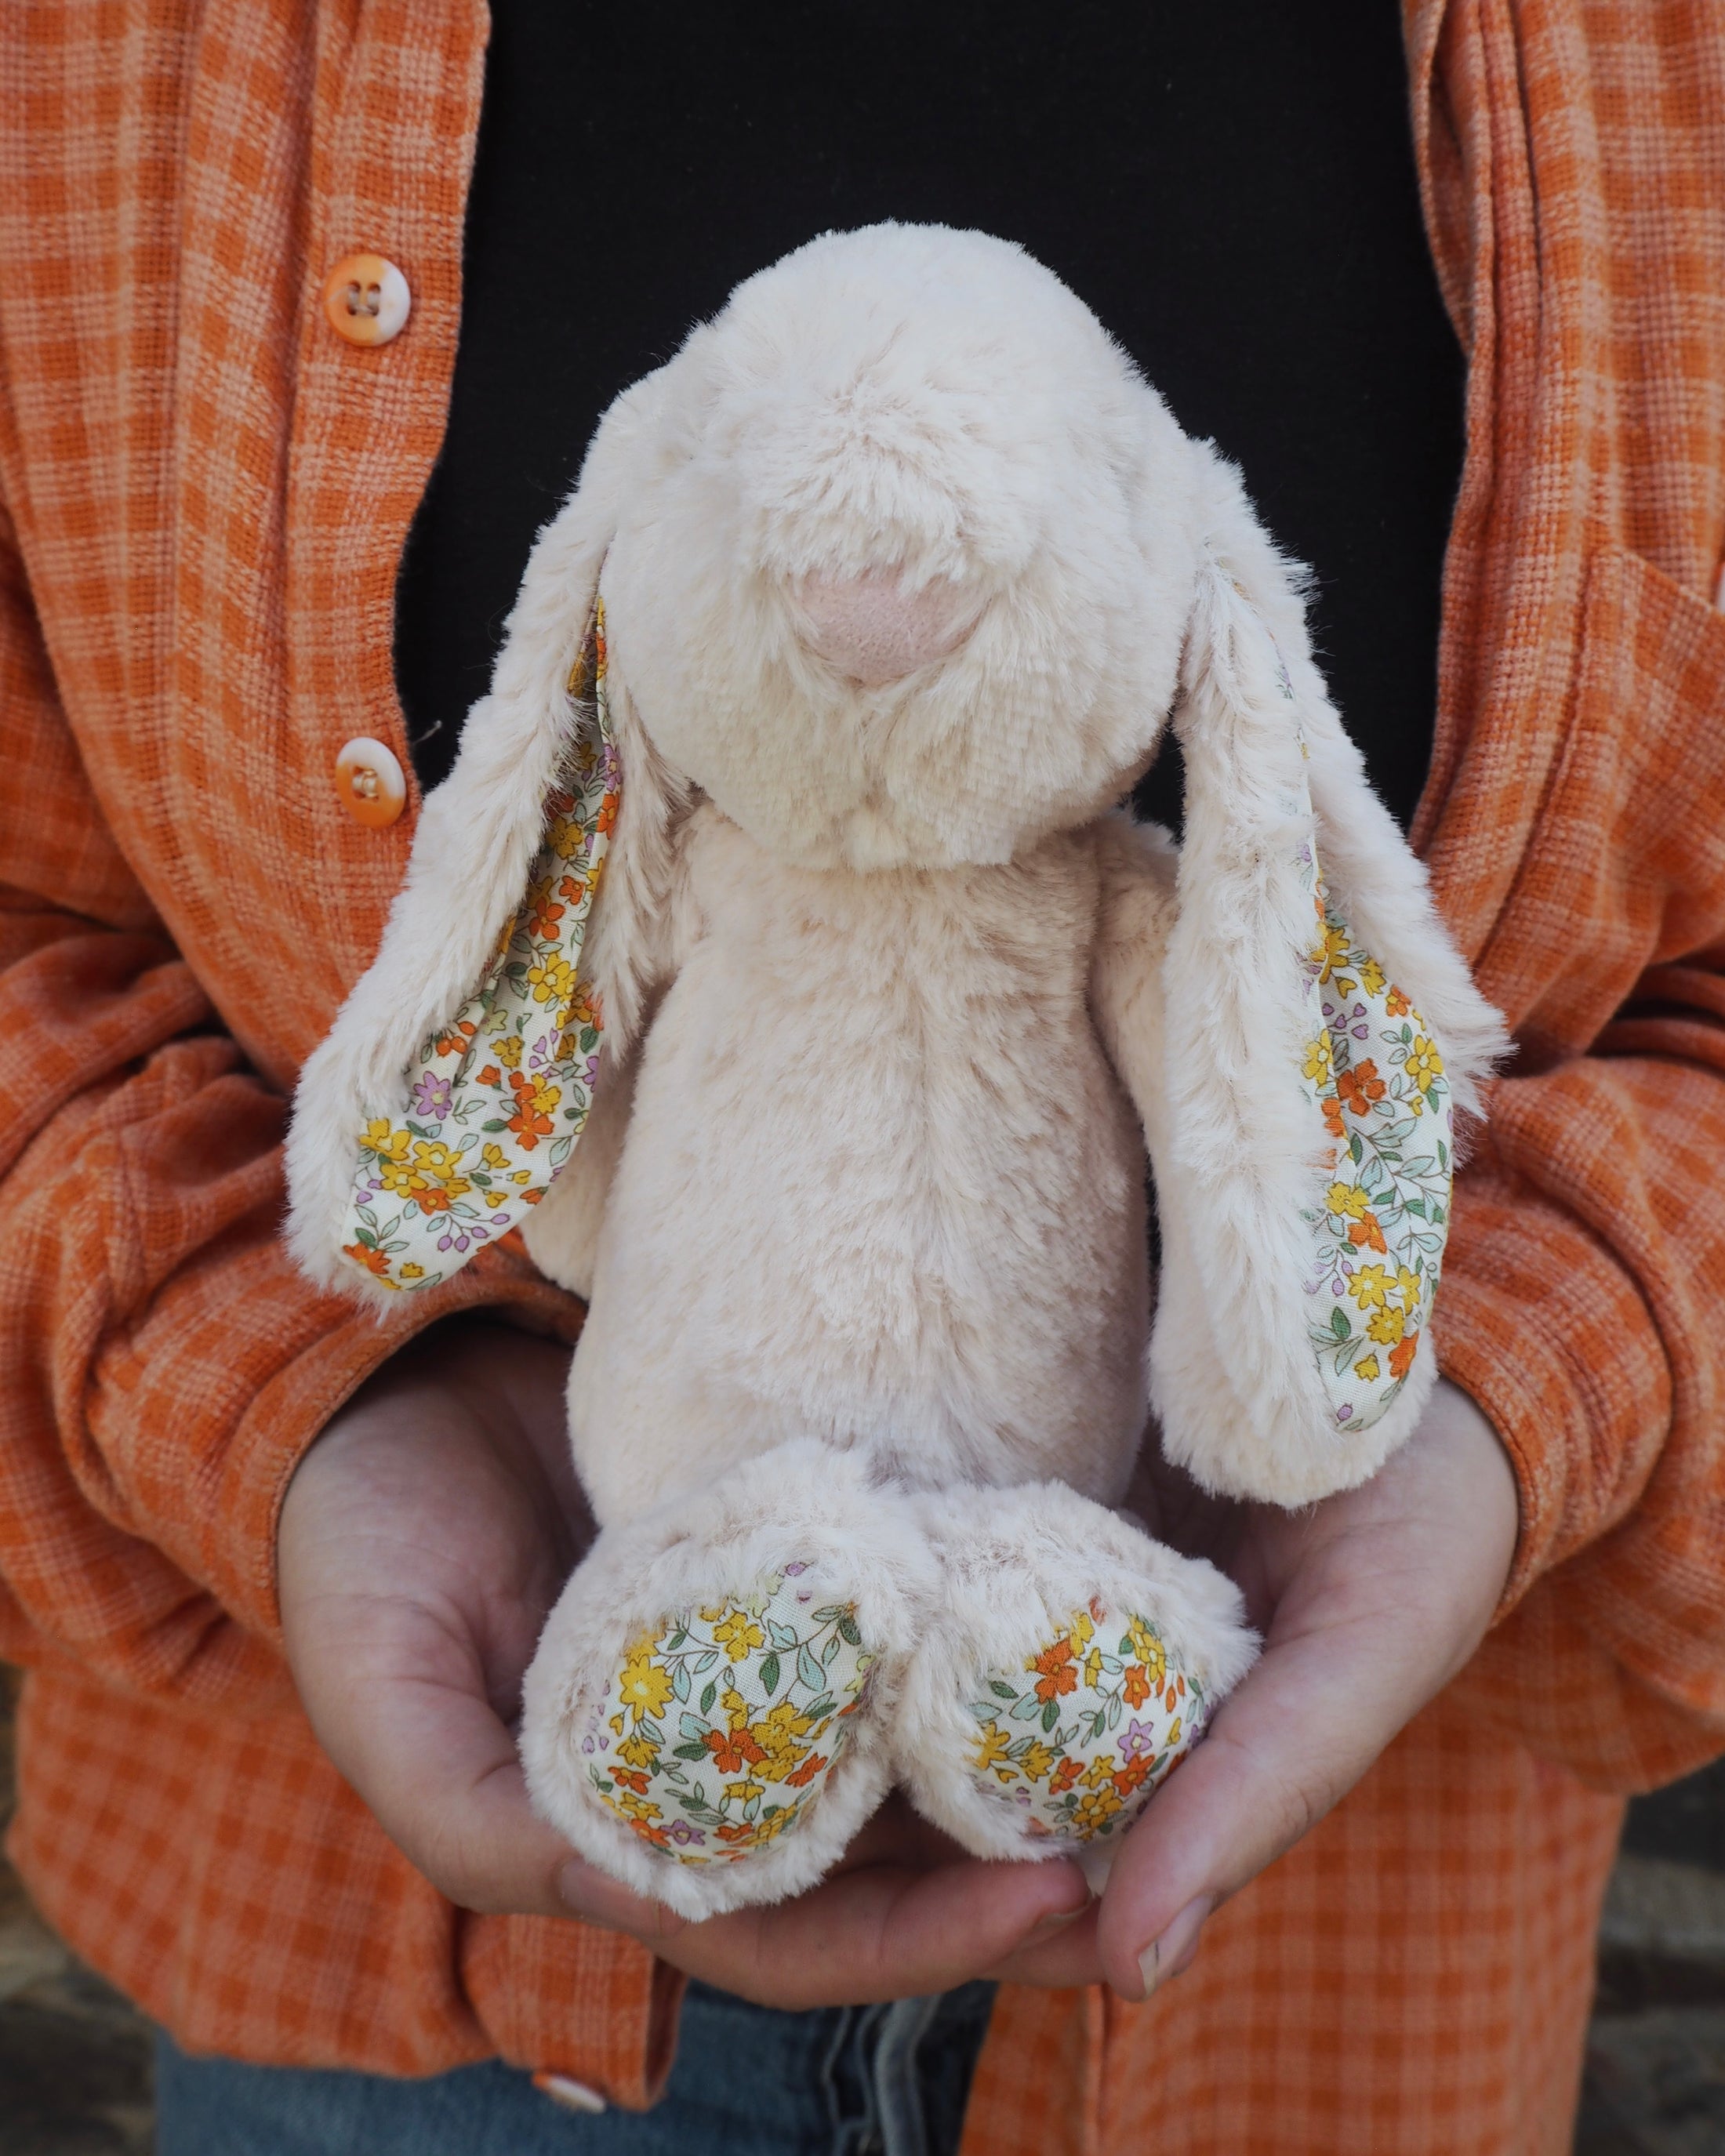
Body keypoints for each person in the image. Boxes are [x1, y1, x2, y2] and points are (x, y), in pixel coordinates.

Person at [1, 5, 1721, 2152]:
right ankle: (704, 1636)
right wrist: (305, 1379)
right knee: (713, 1613)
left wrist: (1489, 1380)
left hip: (1329, 1986)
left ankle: (1044, 1643)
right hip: (402, 1974)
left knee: (1043, 1637)